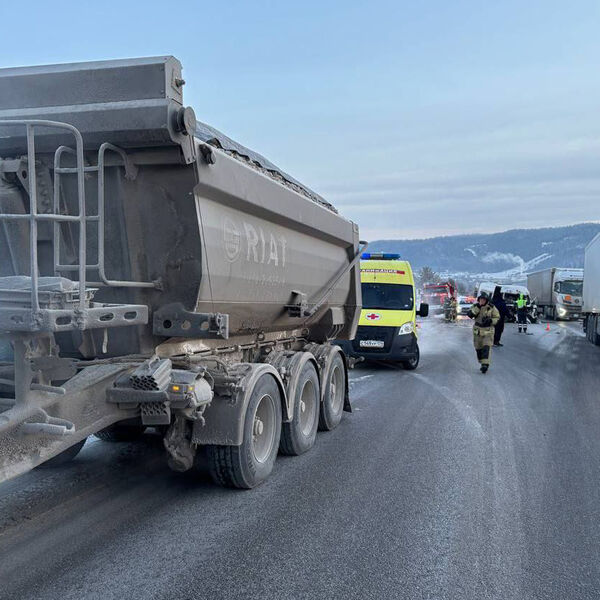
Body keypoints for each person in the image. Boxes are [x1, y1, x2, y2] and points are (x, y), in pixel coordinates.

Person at [468, 291, 500, 373]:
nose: (482, 301)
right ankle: (482, 361)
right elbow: (470, 314)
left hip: (488, 331)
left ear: (486, 300)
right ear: (479, 300)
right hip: (477, 331)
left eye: (484, 299)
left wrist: (490, 321)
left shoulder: (492, 307)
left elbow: (497, 318)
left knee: (486, 347)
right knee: (478, 348)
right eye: (481, 299)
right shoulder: (475, 306)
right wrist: (478, 307)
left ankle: (485, 365)